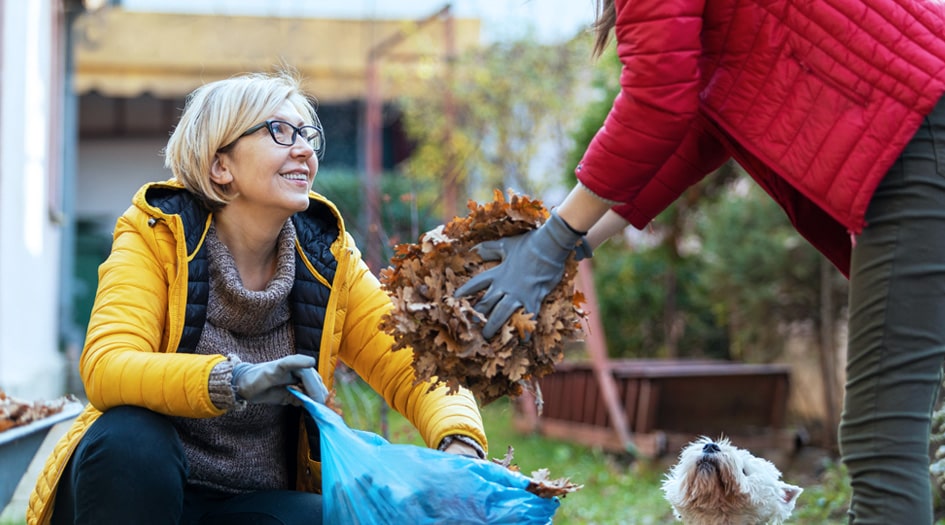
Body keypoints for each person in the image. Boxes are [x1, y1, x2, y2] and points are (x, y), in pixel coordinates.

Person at [456, 0, 945, 522]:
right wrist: (571, 244)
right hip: (914, 129)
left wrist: (552, 241)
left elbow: (657, 103)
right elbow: (701, 121)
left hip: (913, 134)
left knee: (881, 440)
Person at [27, 70, 487, 525]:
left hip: (245, 502)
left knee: (326, 517)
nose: (304, 150)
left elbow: (414, 364)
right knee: (132, 438)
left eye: (307, 135)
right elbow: (107, 367)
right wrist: (234, 380)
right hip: (129, 493)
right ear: (220, 166)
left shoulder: (326, 258)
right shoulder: (156, 234)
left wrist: (458, 442)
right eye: (279, 132)